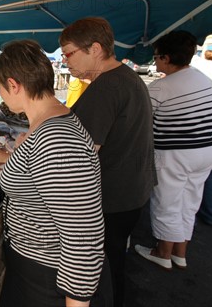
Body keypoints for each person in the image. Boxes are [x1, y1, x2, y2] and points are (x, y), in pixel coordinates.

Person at [0, 40, 107, 307]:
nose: (1, 95)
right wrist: (9, 158)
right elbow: (45, 175)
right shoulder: (51, 122)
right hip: (33, 267)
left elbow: (83, 236)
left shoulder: (55, 139)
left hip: (49, 279)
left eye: (0, 88)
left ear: (13, 85)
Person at [59, 17, 156, 307]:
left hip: (112, 199)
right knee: (115, 265)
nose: (65, 62)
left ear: (96, 49)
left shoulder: (105, 88)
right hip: (134, 192)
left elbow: (79, 156)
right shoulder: (128, 77)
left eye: (69, 53)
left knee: (101, 276)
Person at [135, 31, 212, 270]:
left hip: (175, 153)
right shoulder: (201, 79)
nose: (155, 61)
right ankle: (180, 253)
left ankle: (162, 252)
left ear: (167, 58)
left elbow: (143, 122)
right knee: (189, 202)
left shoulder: (161, 87)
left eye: (156, 57)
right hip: (205, 151)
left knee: (166, 203)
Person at [192, 49, 212, 226]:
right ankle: (210, 214)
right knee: (209, 168)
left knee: (191, 176)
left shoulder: (195, 68)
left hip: (202, 126)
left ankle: (191, 218)